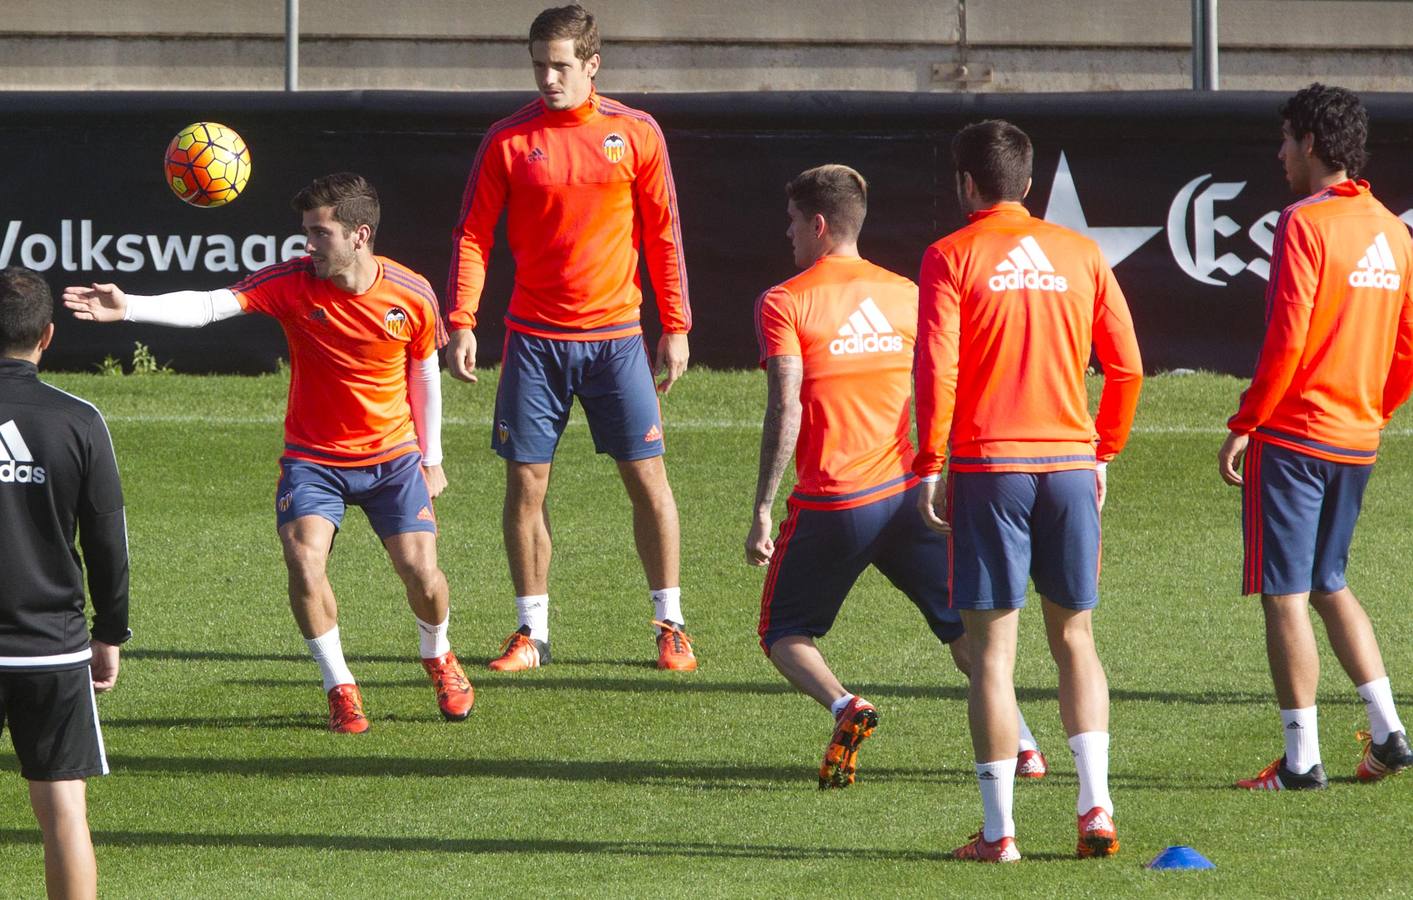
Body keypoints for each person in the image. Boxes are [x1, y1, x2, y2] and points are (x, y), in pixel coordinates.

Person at [63, 173, 473, 734]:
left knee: (422, 573)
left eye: (319, 232)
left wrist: (432, 457)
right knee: (304, 561)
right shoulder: (291, 282)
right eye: (306, 231)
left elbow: (424, 370)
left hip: (393, 458)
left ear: (360, 234)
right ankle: (340, 686)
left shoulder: (412, 292)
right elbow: (211, 306)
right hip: (313, 458)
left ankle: (439, 656)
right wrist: (129, 306)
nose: (307, 244)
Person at [747, 164, 1048, 789]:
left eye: (792, 222)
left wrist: (762, 508)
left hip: (833, 503)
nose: (787, 234)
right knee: (964, 630)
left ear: (820, 225)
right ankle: (1023, 744)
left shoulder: (785, 300)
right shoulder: (907, 294)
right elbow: (951, 382)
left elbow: (786, 406)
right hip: (911, 495)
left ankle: (843, 704)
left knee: (782, 631)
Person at [914, 121, 1143, 862]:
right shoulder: (1080, 253)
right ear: (1029, 182)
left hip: (989, 467)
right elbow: (1128, 367)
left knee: (991, 656)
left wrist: (927, 459)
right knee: (1075, 638)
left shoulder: (950, 254)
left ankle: (999, 832)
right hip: (1069, 467)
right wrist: (1101, 449)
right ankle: (1095, 808)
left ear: (965, 184)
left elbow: (936, 371)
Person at [445, 4, 695, 672]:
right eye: (538, 66)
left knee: (647, 482)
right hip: (533, 341)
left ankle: (670, 623)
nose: (547, 79)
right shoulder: (506, 139)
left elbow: (662, 233)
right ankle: (532, 633)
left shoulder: (634, 133)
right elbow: (473, 234)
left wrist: (675, 325)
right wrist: (461, 319)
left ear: (591, 64)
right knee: (525, 486)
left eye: (560, 65)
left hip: (616, 340)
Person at [1218, 83, 1413, 791]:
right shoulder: (1393, 231)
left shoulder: (1302, 223)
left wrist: (1246, 422)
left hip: (1296, 435)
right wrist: (1372, 409)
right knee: (1330, 582)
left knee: (1286, 594)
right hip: (1356, 435)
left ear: (1308, 143)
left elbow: (1286, 338)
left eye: (1284, 140)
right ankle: (1388, 729)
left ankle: (1300, 760)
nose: (1278, 154)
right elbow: (1407, 347)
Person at [1, 266, 129, 900]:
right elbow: (107, 541)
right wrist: (111, 632)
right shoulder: (79, 421)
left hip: (46, 645)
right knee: (63, 816)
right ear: (47, 336)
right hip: (51, 649)